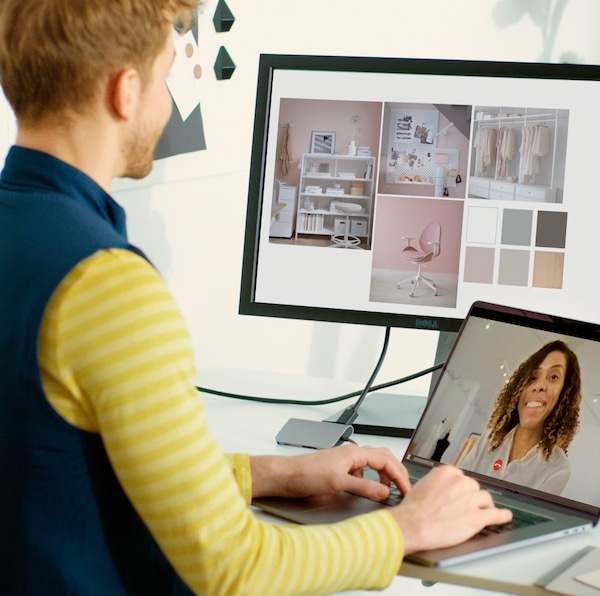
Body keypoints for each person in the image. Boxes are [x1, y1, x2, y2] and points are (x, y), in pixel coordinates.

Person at [0, 0, 511, 593]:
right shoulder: (106, 285)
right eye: (166, 76)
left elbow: (58, 468)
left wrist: (268, 472)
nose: (166, 105)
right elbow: (233, 568)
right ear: (126, 91)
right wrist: (409, 526)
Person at [457, 340, 581, 495]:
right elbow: (454, 486)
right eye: (533, 377)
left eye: (553, 377)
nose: (539, 385)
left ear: (565, 394)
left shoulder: (558, 468)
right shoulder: (490, 438)